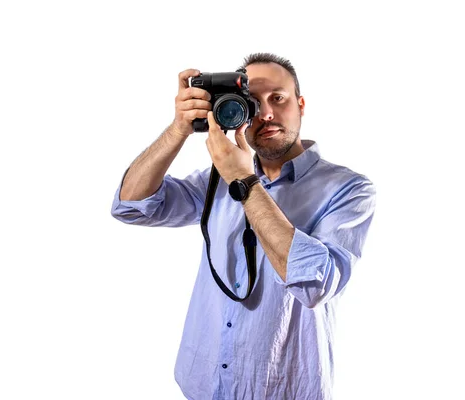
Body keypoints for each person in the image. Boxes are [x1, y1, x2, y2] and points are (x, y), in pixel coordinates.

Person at [110, 53, 376, 400]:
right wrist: (178, 129)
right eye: (253, 102)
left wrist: (244, 181)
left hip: (281, 390)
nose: (266, 113)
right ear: (239, 112)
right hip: (202, 386)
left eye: (278, 98)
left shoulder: (348, 189)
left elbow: (316, 284)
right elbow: (131, 206)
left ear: (301, 104)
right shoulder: (216, 180)